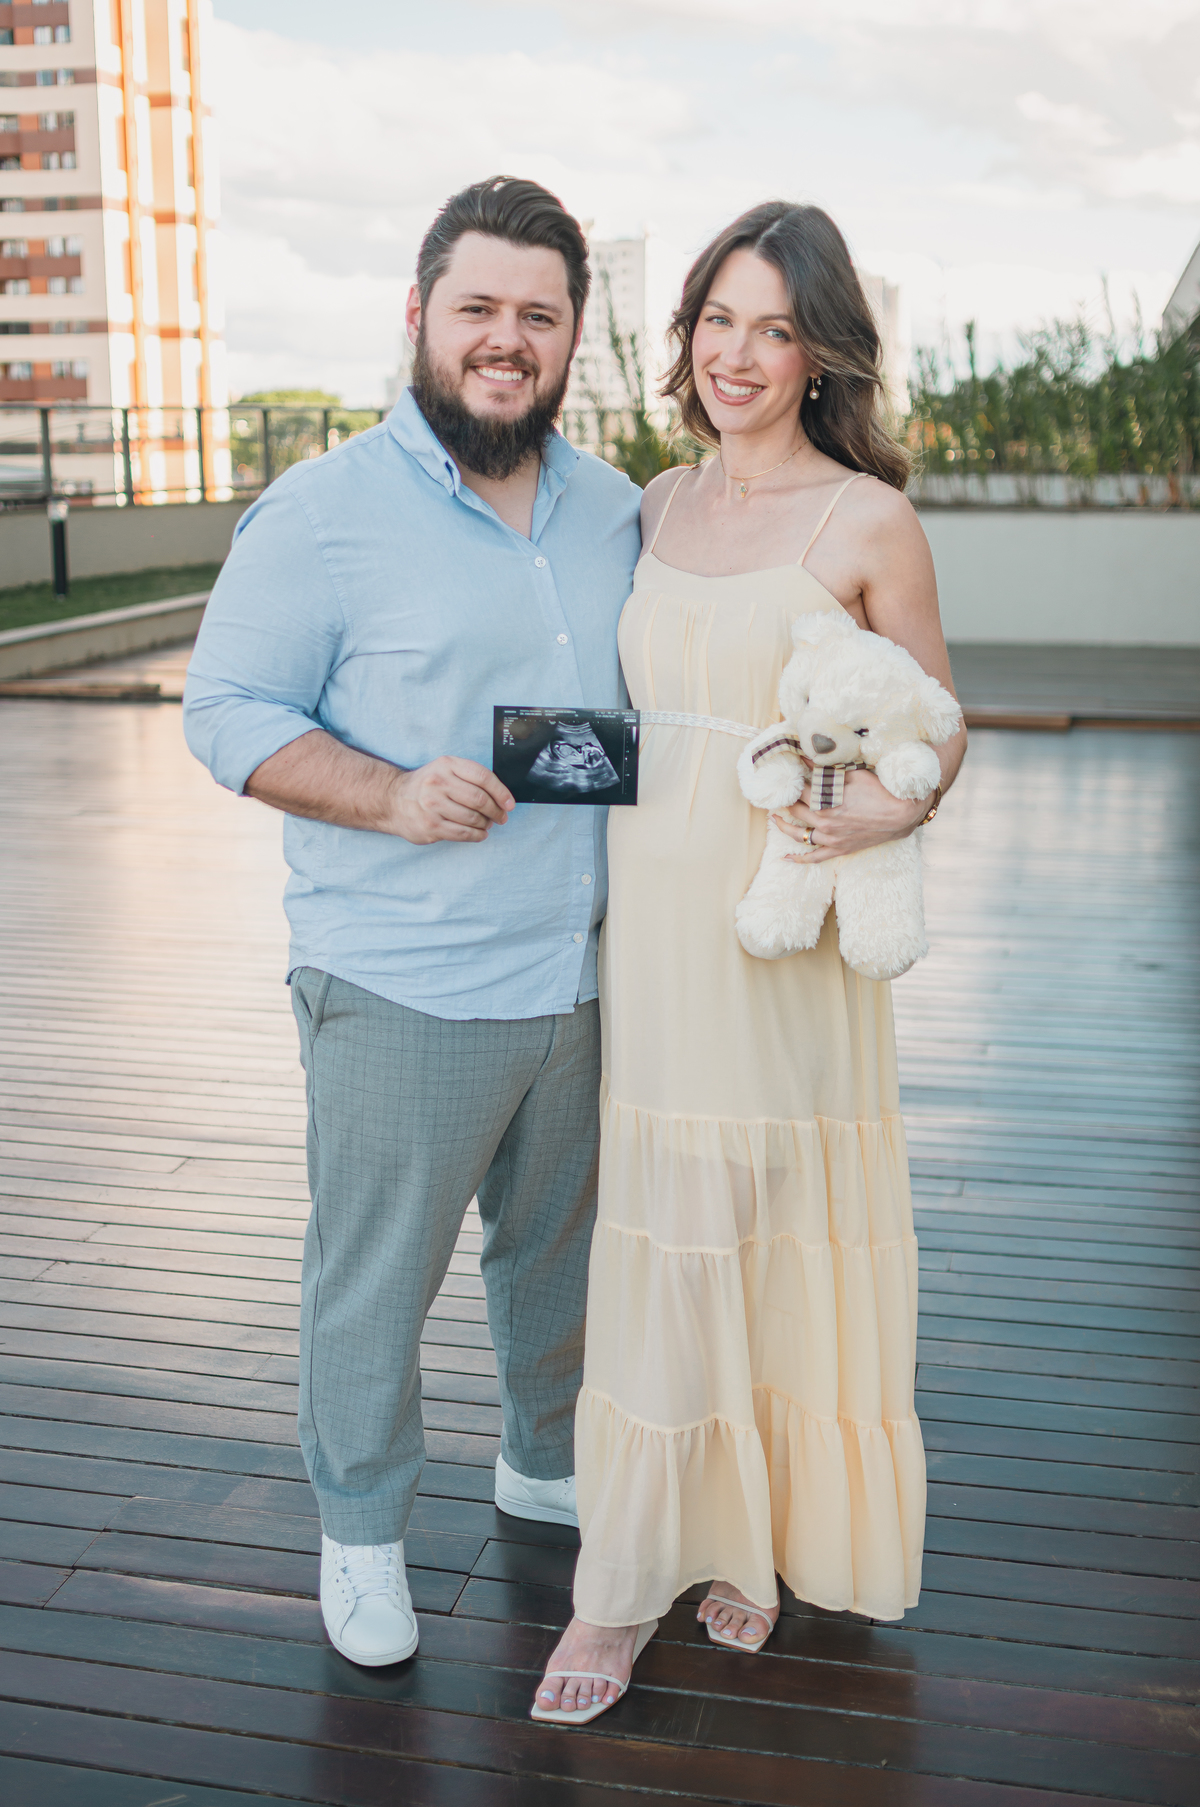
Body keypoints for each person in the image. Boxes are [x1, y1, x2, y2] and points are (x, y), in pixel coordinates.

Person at [183, 176, 641, 1668]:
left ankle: (543, 1460)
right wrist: (387, 795)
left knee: (556, 1256)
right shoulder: (321, 513)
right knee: (377, 1278)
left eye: (538, 314)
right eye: (478, 308)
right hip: (403, 981)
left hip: (584, 974)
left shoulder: (619, 510)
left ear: (572, 334)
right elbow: (223, 710)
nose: (507, 338)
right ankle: (364, 1534)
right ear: (419, 316)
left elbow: (638, 720)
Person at [532, 201, 968, 1724]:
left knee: (763, 1218)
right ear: (687, 336)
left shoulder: (868, 520)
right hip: (655, 922)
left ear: (820, 353)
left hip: (787, 930)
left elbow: (937, 728)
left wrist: (883, 808)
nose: (737, 353)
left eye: (774, 328)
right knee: (670, 1220)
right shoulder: (653, 505)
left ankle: (713, 1555)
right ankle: (653, 1567)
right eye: (717, 318)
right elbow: (624, 715)